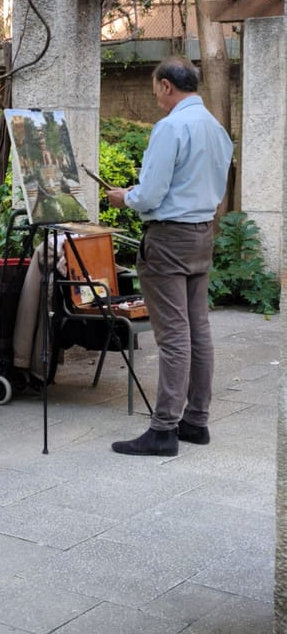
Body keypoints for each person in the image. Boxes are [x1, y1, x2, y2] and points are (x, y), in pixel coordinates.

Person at [106, 55, 233, 457]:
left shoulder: (171, 127)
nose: (156, 97)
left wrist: (125, 197)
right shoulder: (216, 128)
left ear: (166, 85)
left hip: (168, 238)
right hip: (201, 233)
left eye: (155, 89)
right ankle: (196, 420)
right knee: (198, 331)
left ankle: (163, 430)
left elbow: (151, 194)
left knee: (174, 336)